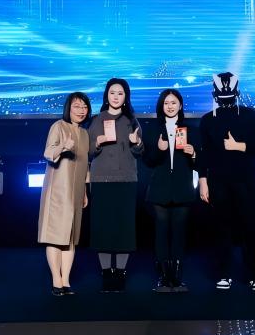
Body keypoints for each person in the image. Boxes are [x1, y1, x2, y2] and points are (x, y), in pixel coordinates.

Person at [199, 72, 255, 291]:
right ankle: (224, 273)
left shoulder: (249, 115)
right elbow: (204, 154)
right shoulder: (208, 119)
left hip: (246, 180)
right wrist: (203, 181)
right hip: (219, 181)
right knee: (222, 228)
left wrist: (239, 146)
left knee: (251, 227)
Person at [88, 78, 143, 292]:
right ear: (106, 95)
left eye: (120, 93)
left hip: (126, 180)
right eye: (112, 92)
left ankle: (120, 272)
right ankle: (106, 272)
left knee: (123, 228)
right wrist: (97, 143)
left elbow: (140, 151)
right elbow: (87, 150)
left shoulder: (132, 120)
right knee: (102, 227)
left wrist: (136, 143)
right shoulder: (96, 120)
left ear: (126, 97)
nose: (116, 96)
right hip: (101, 180)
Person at [142, 88, 198, 293]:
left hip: (182, 187)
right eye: (166, 103)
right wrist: (160, 150)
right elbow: (148, 161)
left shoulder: (191, 129)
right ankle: (164, 277)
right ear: (161, 106)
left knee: (179, 233)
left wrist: (193, 154)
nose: (170, 106)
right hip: (160, 187)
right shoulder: (152, 129)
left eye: (173, 102)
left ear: (180, 105)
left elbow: (199, 161)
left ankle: (177, 278)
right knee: (161, 231)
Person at [37, 92, 91, 296]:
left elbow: (85, 164)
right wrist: (63, 147)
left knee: (71, 238)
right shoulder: (58, 126)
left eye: (84, 107)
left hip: (76, 190)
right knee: (55, 236)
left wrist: (84, 191)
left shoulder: (84, 134)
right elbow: (48, 152)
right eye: (77, 106)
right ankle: (56, 280)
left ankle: (66, 281)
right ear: (68, 108)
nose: (81, 110)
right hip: (58, 190)